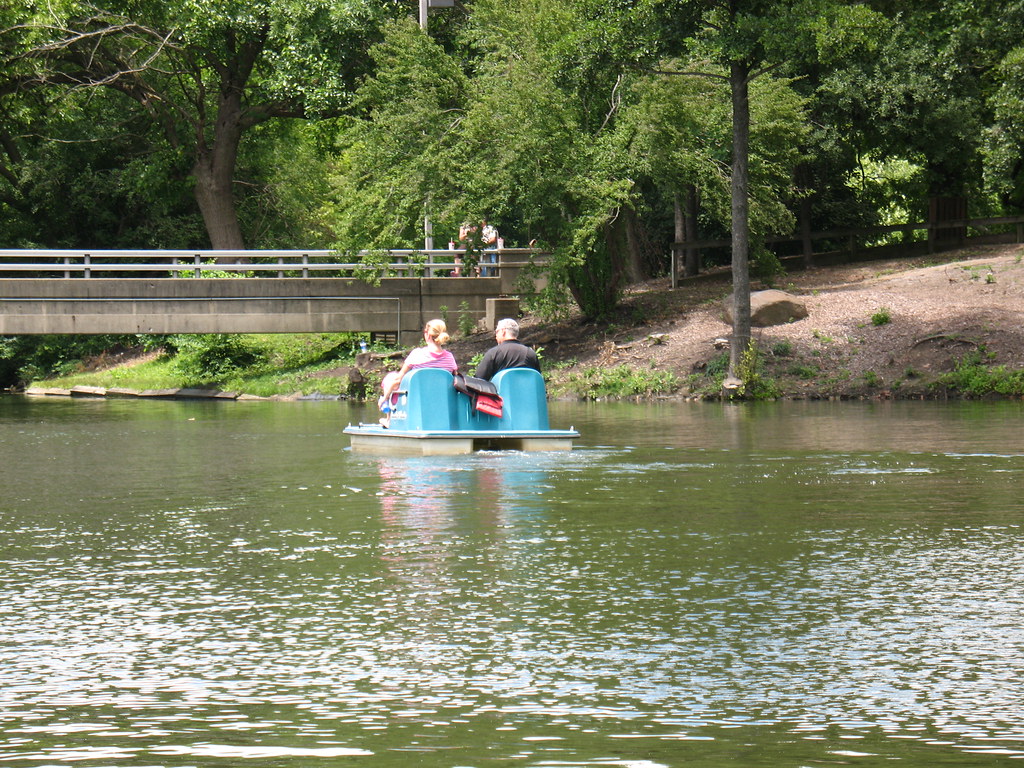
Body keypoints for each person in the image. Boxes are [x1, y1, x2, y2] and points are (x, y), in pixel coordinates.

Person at [378, 319, 458, 427]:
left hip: (417, 400)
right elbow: (455, 378)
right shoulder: (449, 358)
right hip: (440, 400)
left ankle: (389, 420)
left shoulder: (417, 354)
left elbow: (398, 380)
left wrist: (384, 398)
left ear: (428, 335)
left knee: (391, 377)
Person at [474, 318, 540, 381]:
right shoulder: (531, 353)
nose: (495, 336)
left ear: (503, 331)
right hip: (527, 392)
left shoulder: (493, 353)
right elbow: (538, 382)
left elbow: (479, 381)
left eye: (497, 332)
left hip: (502, 393)